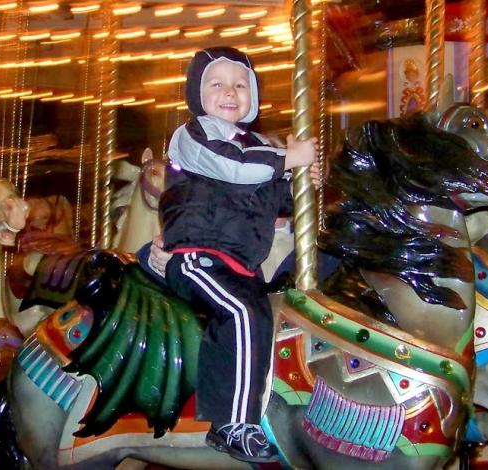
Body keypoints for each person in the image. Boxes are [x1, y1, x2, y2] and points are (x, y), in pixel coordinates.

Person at [142, 46, 318, 464]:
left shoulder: (255, 145)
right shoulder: (193, 135)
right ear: (197, 93)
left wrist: (303, 181)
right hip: (199, 255)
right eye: (216, 83)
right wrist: (287, 157)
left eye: (241, 84)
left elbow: (279, 196)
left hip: (242, 265)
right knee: (241, 314)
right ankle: (232, 424)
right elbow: (233, 165)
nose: (230, 92)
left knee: (272, 321)